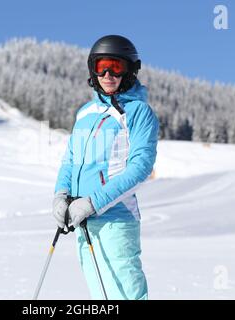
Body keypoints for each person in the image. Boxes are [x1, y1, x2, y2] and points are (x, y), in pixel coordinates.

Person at [52, 35, 159, 300]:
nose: (108, 74)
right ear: (93, 69)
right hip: (83, 220)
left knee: (124, 295)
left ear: (130, 70)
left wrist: (94, 202)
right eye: (102, 66)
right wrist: (60, 195)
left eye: (116, 66)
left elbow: (140, 168)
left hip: (116, 220)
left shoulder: (138, 112)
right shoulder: (85, 113)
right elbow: (70, 160)